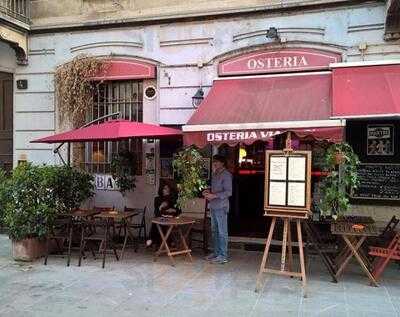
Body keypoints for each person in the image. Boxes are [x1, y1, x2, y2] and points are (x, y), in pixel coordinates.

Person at [203, 154, 232, 264]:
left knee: (222, 231)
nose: (214, 164)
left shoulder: (226, 175)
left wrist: (214, 196)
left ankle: (223, 255)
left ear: (222, 163)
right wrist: (207, 191)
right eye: (214, 162)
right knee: (214, 231)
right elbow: (213, 189)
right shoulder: (215, 174)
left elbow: (229, 192)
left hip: (221, 206)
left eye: (216, 162)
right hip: (213, 206)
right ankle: (216, 252)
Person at [146, 181, 180, 247]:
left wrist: (173, 210)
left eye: (168, 188)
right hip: (161, 217)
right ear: (161, 190)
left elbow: (179, 211)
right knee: (157, 222)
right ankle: (168, 242)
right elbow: (156, 212)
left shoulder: (174, 199)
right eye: (164, 188)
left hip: (171, 219)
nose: (166, 190)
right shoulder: (157, 199)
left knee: (158, 223)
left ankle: (152, 240)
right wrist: (160, 207)